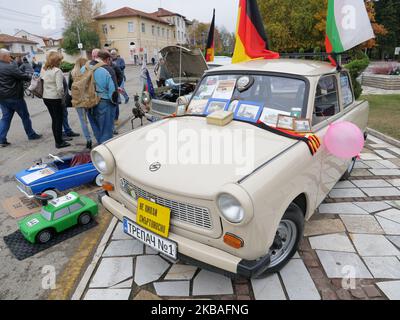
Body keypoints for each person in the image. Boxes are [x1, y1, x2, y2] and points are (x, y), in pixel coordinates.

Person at [0, 49, 42, 147]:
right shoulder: (9, 67)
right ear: (5, 56)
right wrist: (33, 75)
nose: (10, 58)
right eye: (9, 56)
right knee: (25, 116)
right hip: (14, 97)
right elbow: (23, 76)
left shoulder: (8, 66)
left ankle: (1, 139)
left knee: (5, 118)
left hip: (2, 98)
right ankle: (31, 134)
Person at [81, 49, 116, 144]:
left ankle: (100, 144)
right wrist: (114, 103)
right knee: (106, 129)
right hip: (103, 102)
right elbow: (113, 91)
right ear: (107, 59)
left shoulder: (84, 68)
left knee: (95, 126)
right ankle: (105, 150)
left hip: (88, 101)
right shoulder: (106, 69)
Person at [41, 51, 70, 149]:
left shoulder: (44, 69)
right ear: (56, 61)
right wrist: (62, 98)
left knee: (54, 119)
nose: (61, 62)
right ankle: (59, 142)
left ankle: (59, 138)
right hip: (55, 98)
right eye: (60, 60)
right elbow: (60, 88)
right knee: (59, 120)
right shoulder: (57, 71)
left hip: (46, 97)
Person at [69, 57, 93, 149]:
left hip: (77, 99)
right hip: (88, 98)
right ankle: (97, 135)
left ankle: (88, 140)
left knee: (83, 121)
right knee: (92, 119)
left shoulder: (72, 73)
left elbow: (69, 86)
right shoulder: (88, 71)